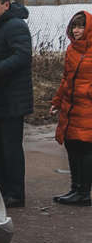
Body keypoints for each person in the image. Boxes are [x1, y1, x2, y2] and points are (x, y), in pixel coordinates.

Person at [0, 0, 33, 208]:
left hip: (13, 99)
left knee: (11, 148)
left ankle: (15, 193)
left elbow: (22, 56)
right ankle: (4, 191)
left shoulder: (15, 26)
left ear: (6, 5)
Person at [50, 11, 92, 206]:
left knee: (84, 148)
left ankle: (84, 192)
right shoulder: (72, 50)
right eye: (74, 26)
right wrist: (57, 102)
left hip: (87, 107)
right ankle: (75, 188)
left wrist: (87, 92)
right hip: (71, 107)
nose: (77, 30)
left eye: (81, 26)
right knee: (72, 145)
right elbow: (66, 79)